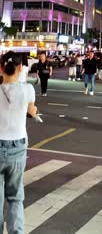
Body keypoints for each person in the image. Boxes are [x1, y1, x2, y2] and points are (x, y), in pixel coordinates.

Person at [0, 51, 38, 233]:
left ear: (1, 68)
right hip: (17, 148)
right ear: (20, 67)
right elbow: (32, 112)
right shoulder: (27, 89)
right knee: (15, 198)